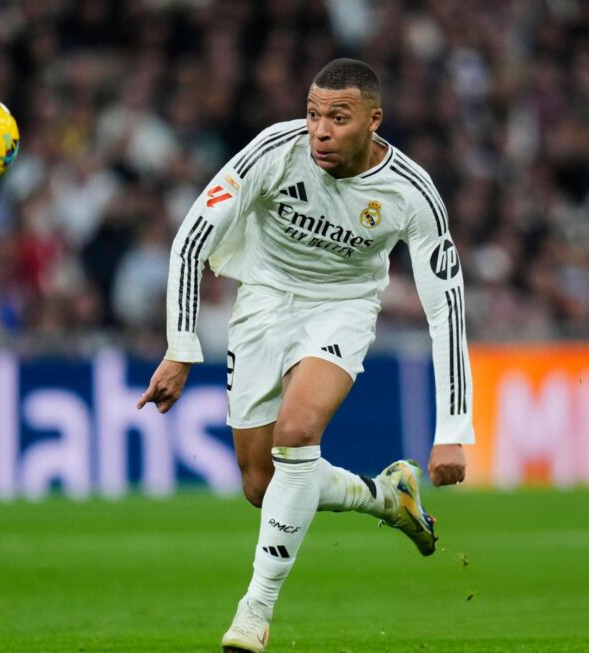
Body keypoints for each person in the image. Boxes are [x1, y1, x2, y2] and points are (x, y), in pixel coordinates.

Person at [136, 58, 474, 652]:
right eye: (313, 113)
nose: (319, 129)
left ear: (374, 121)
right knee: (260, 484)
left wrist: (453, 428)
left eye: (337, 118)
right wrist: (181, 348)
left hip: (342, 307)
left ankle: (253, 612)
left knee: (296, 433)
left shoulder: (411, 194)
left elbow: (446, 310)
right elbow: (191, 237)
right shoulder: (275, 150)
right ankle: (386, 497)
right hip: (263, 301)